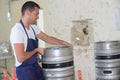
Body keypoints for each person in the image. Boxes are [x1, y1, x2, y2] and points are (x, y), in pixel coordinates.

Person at [10, 1, 73, 80]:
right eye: (36, 14)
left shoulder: (33, 28)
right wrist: (36, 50)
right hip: (25, 71)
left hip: (35, 67)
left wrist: (65, 43)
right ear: (27, 13)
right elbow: (21, 57)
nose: (38, 17)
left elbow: (47, 38)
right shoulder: (17, 30)